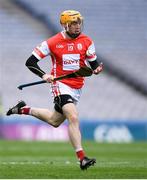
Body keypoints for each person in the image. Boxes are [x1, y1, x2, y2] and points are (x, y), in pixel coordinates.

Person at [6, 10, 103, 170]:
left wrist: (97, 69)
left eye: (79, 22)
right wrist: (44, 75)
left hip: (77, 87)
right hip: (60, 85)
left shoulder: (87, 41)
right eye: (73, 23)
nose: (77, 26)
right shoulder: (52, 42)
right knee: (73, 116)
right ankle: (82, 158)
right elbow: (30, 62)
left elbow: (93, 65)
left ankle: (22, 109)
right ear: (65, 25)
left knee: (54, 120)